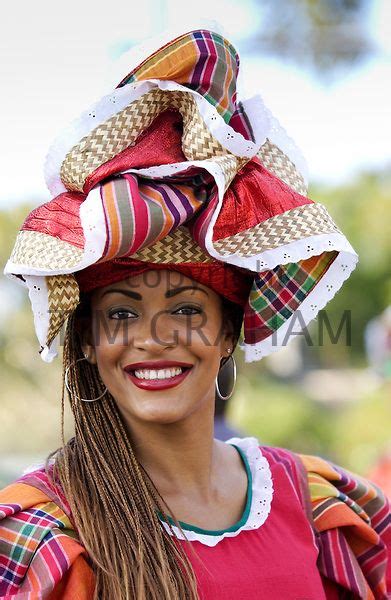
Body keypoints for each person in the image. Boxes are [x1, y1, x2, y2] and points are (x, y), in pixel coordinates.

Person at [1, 26, 390, 600]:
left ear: (229, 331)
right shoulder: (42, 535)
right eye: (121, 314)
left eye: (184, 309)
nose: (154, 339)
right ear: (85, 338)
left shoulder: (315, 501)